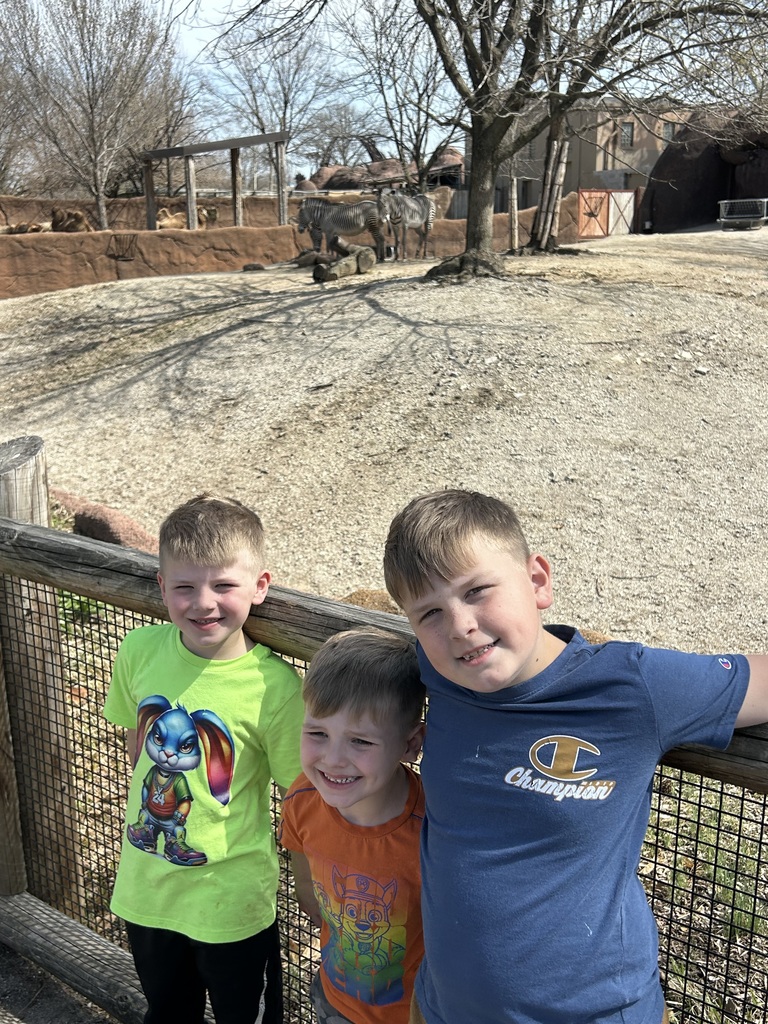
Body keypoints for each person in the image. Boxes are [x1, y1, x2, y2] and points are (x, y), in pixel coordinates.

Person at [382, 488, 768, 1024]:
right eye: (429, 613)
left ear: (537, 580)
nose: (459, 625)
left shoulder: (632, 686)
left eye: (477, 591)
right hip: (445, 1007)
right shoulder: (441, 673)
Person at [103, 494, 304, 1024]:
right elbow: (137, 748)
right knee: (167, 1011)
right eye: (185, 586)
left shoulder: (274, 687)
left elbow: (300, 793)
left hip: (233, 902)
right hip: (147, 887)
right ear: (162, 586)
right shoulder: (138, 651)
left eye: (223, 585)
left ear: (260, 585)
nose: (203, 603)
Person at [279, 628, 426, 1024]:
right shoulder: (302, 799)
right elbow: (306, 886)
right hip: (334, 1001)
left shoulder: (432, 831)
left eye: (360, 742)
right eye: (317, 734)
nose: (333, 759)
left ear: (411, 744)